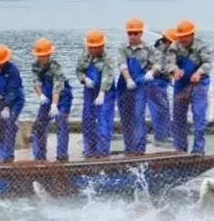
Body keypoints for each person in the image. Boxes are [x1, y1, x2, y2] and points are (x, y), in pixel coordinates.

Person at [169, 19, 213, 154]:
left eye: (185, 36)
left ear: (192, 34)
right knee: (178, 116)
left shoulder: (202, 47)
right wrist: (174, 70)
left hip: (199, 84)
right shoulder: (174, 46)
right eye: (180, 36)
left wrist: (199, 72)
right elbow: (169, 62)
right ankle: (180, 148)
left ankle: (198, 149)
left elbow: (208, 63)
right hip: (181, 84)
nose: (182, 39)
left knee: (199, 115)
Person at [116, 18, 155, 156]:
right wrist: (128, 79)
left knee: (138, 115)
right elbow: (122, 64)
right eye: (130, 33)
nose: (132, 36)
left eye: (135, 33)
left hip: (140, 86)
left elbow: (157, 64)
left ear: (141, 33)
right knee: (125, 116)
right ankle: (129, 148)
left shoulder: (148, 48)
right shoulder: (122, 48)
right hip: (124, 85)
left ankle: (139, 149)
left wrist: (152, 71)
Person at [76, 29, 117, 158]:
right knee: (87, 120)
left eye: (96, 48)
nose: (93, 50)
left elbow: (107, 76)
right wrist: (84, 79)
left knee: (104, 120)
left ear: (102, 46)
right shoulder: (84, 55)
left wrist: (102, 92)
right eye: (91, 48)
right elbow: (79, 70)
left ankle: (103, 152)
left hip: (106, 92)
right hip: (89, 91)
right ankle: (89, 150)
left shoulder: (108, 58)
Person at [30, 38, 72, 162]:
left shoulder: (55, 67)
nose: (41, 58)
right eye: (39, 56)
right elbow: (36, 82)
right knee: (39, 125)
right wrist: (41, 95)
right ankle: (39, 156)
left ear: (49, 55)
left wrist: (54, 105)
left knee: (61, 123)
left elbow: (57, 86)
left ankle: (62, 156)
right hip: (46, 98)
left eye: (44, 55)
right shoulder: (35, 66)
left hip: (63, 97)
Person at [0, 44, 25, 164]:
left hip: (15, 100)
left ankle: (8, 156)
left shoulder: (13, 70)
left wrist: (7, 106)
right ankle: (1, 155)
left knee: (10, 124)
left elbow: (13, 90)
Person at [144, 27, 177, 146]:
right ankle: (161, 137)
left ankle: (165, 134)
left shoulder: (165, 49)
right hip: (154, 83)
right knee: (160, 110)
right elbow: (160, 68)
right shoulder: (158, 51)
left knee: (164, 109)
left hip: (161, 83)